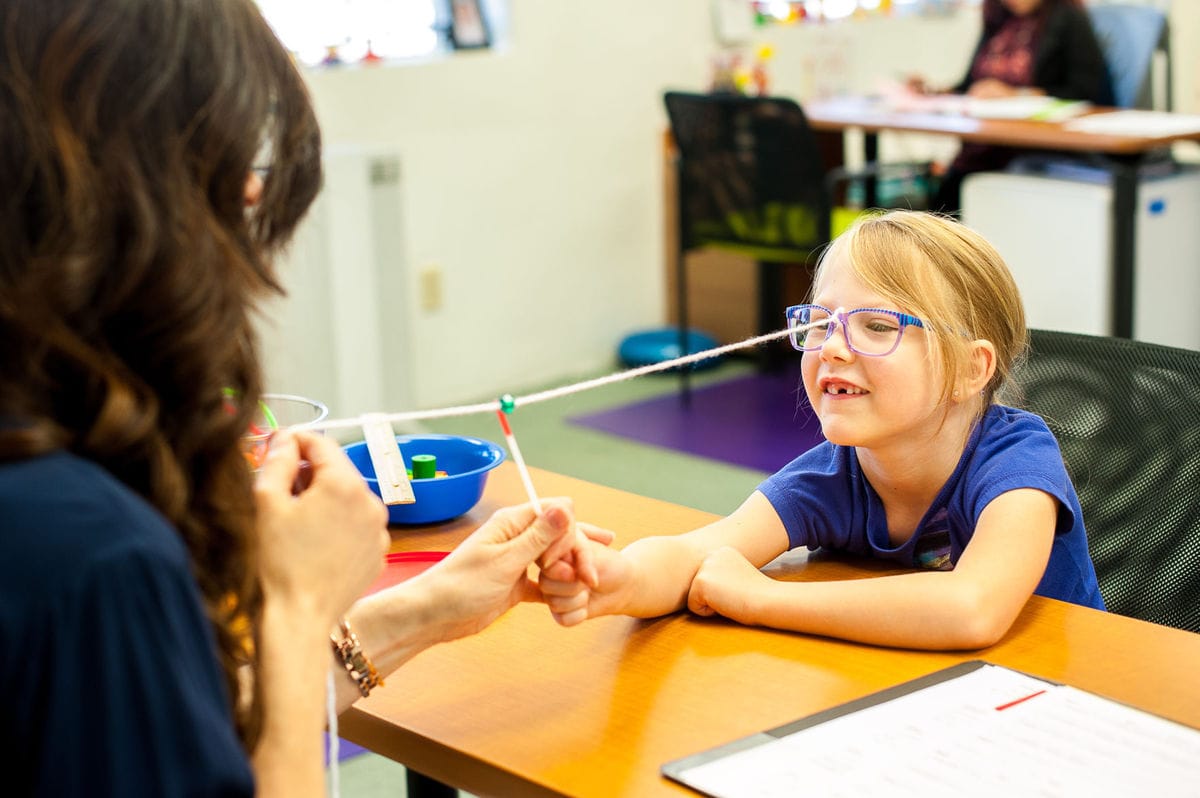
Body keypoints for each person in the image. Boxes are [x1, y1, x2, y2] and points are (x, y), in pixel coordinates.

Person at [0, 1, 601, 795]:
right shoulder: (98, 559)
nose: (251, 192)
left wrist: (429, 608)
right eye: (218, 159)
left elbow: (155, 732)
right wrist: (296, 605)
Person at [539, 210, 1105, 651]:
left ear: (972, 369)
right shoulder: (831, 476)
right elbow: (700, 554)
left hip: (1062, 702)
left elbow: (973, 607)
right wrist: (615, 580)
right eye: (820, 321)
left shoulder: (1016, 463)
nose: (831, 346)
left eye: (878, 325)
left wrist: (762, 600)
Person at [908, 0, 1114, 213]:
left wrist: (1015, 95)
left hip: (1032, 143)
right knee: (946, 205)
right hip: (985, 141)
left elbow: (1084, 90)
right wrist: (933, 91)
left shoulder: (1068, 18)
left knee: (957, 198)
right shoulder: (999, 22)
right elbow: (970, 85)